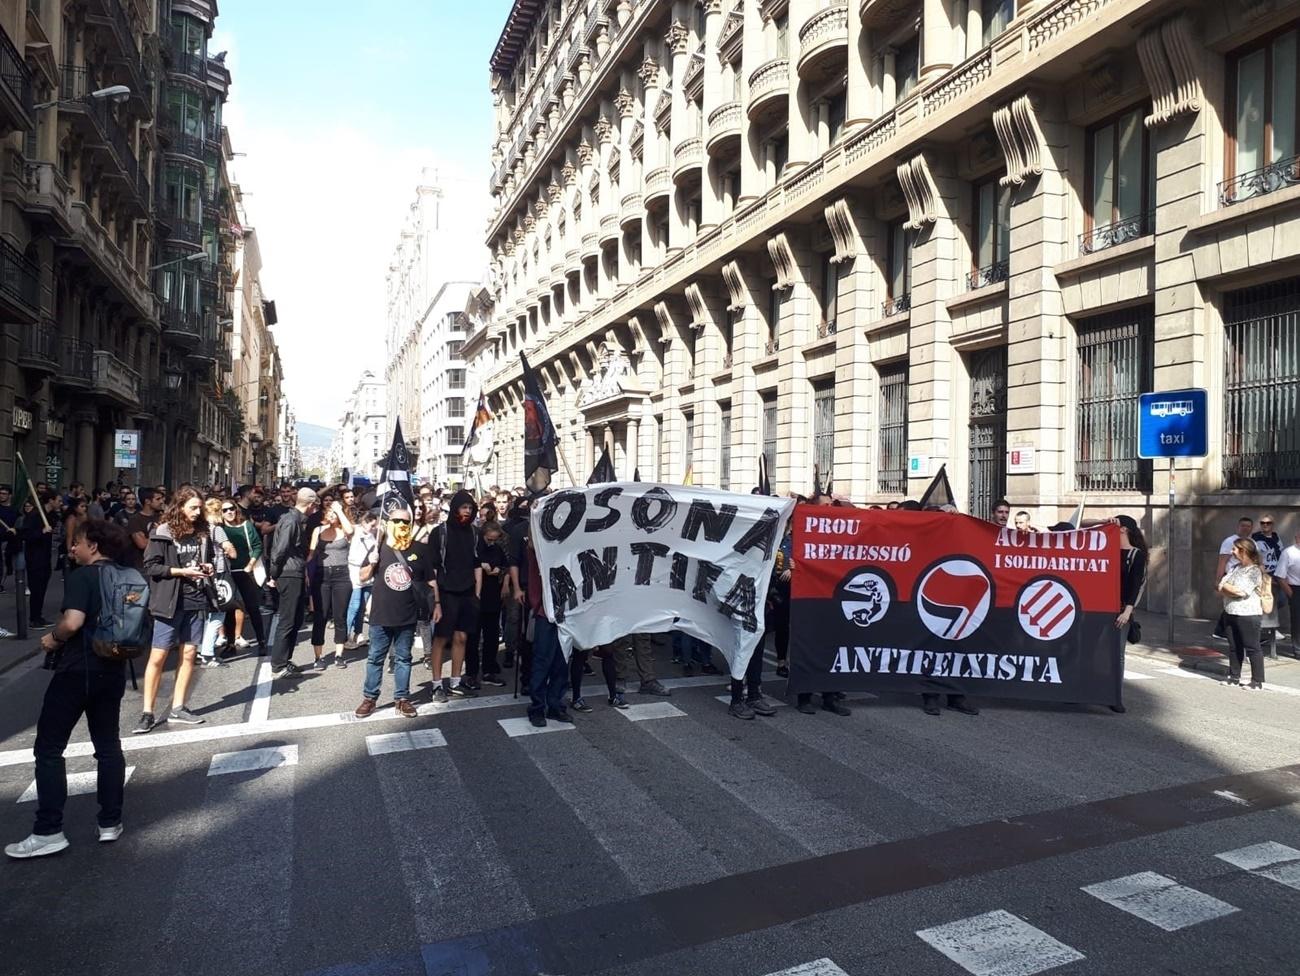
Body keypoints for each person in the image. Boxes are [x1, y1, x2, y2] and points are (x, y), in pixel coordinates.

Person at [4, 520, 134, 859]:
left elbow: (73, 622)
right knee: (108, 746)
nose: (71, 549)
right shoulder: (126, 575)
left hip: (78, 668)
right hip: (114, 668)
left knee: (49, 747)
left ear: (92, 545)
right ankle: (110, 821)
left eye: (75, 543)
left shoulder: (83, 577)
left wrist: (53, 637)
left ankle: (49, 830)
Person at [137, 488, 214, 732]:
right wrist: (182, 572)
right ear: (179, 507)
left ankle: (178, 707)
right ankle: (147, 712)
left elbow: (207, 558)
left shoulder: (202, 532)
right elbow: (151, 567)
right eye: (192, 507)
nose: (197, 512)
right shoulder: (162, 532)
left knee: (189, 654)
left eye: (199, 507)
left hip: (196, 597)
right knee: (158, 656)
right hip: (169, 601)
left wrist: (207, 567)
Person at [354, 503, 434, 719]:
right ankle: (370, 698)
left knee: (403, 658)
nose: (400, 524)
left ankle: (403, 699)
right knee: (375, 658)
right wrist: (371, 564)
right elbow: (362, 577)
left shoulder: (419, 549)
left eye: (405, 521)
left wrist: (437, 605)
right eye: (396, 520)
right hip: (381, 615)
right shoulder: (379, 546)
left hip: (407, 615)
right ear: (389, 523)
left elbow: (430, 580)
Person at [428, 489, 482, 701]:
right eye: (463, 507)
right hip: (446, 592)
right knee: (441, 638)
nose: (467, 511)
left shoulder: (474, 533)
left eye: (470, 508)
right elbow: (432, 568)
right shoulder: (440, 533)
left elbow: (477, 565)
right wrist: (437, 600)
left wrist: (477, 594)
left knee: (462, 637)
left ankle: (455, 682)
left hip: (468, 593)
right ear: (454, 508)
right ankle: (436, 685)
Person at [524, 524, 570, 727]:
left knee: (562, 662)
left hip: (568, 612)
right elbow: (533, 543)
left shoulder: (569, 549)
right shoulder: (539, 549)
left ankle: (555, 704)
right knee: (543, 661)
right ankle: (537, 707)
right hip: (546, 612)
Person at [268, 488, 316, 679]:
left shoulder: (295, 519)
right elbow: (280, 549)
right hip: (288, 573)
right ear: (311, 504)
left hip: (293, 571)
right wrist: (274, 573)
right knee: (287, 620)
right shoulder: (291, 520)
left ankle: (285, 660)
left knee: (296, 619)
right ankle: (278, 665)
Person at [308, 499, 354, 669]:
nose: (332, 516)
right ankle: (318, 656)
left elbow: (350, 530)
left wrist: (339, 510)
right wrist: (307, 574)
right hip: (321, 575)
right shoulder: (318, 530)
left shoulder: (345, 530)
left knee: (340, 616)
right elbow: (311, 555)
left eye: (334, 513)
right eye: (330, 513)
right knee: (320, 615)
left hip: (342, 575)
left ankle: (339, 654)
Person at [1218, 537, 1267, 689]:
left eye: (1234, 549)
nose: (1232, 552)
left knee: (1252, 647)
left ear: (1243, 551)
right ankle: (1234, 676)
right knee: (1234, 646)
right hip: (1230, 612)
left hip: (1248, 614)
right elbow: (1220, 584)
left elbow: (1242, 592)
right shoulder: (1235, 568)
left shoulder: (1255, 571)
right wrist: (1226, 587)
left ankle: (1257, 681)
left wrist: (1227, 588)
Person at [196, 497, 239, 668]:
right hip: (219, 574)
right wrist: (231, 552)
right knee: (219, 612)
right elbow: (231, 551)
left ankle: (200, 648)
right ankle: (207, 653)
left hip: (201, 574)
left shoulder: (198, 530)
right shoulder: (216, 530)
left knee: (205, 615)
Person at [221, 498, 268, 653]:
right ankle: (230, 644)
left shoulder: (246, 526)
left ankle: (262, 642)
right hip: (227, 573)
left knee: (252, 607)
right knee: (229, 609)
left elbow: (257, 546)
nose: (229, 512)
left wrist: (250, 565)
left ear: (236, 510)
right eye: (225, 510)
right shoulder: (219, 529)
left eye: (231, 509)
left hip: (245, 572)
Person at [468, 520, 507, 688]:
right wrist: (479, 566)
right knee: (473, 637)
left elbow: (506, 565)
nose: (491, 542)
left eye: (494, 539)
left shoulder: (497, 548)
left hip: (493, 596)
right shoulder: (474, 548)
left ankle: (489, 670)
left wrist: (500, 571)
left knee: (491, 637)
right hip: (476, 597)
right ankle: (471, 672)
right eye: (489, 539)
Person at [20, 493, 60, 628]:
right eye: (58, 500)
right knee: (36, 589)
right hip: (34, 558)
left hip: (45, 557)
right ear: (51, 500)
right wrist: (41, 532)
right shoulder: (34, 516)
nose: (60, 503)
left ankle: (38, 616)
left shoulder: (49, 515)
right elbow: (26, 535)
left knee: (42, 588)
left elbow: (57, 520)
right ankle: (33, 618)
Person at [1213, 516, 1255, 640]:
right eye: (1243, 526)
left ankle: (1222, 630)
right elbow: (1222, 561)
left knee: (1237, 604)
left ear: (1251, 528)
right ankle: (1224, 631)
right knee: (1233, 603)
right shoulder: (1229, 541)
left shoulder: (1253, 543)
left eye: (1248, 526)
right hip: (1233, 577)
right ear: (1238, 527)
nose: (1245, 529)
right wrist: (1218, 579)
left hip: (1248, 578)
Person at [346, 510, 379, 650]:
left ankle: (358, 633)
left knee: (362, 605)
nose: (374, 528)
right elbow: (348, 528)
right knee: (354, 605)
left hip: (368, 571)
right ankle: (346, 635)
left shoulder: (375, 535)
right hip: (355, 571)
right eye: (372, 525)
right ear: (365, 522)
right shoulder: (357, 531)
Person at [1252, 515, 1284, 636]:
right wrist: (1263, 574)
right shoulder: (1256, 538)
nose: (1265, 525)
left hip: (1277, 573)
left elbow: (1281, 554)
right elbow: (1255, 558)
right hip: (1265, 574)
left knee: (1281, 600)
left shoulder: (1276, 537)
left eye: (1268, 523)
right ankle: (1267, 629)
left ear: (1272, 524)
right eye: (1263, 523)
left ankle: (1269, 627)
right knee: (1267, 600)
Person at [1274, 528, 1300, 658]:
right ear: (1297, 538)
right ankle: (1298, 650)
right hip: (1295, 588)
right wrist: (1292, 595)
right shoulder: (1288, 553)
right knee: (1298, 621)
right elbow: (1280, 576)